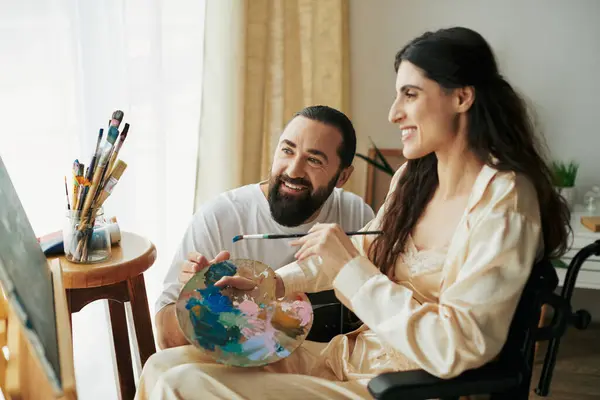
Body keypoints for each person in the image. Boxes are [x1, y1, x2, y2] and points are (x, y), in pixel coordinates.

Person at [136, 27, 571, 400]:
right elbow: (353, 256)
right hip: (350, 360)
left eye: (410, 94)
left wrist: (350, 267)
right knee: (164, 366)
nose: (394, 112)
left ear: (462, 97)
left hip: (395, 388)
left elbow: (457, 347)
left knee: (185, 385)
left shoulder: (505, 202)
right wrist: (268, 284)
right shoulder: (414, 178)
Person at [155, 105, 375, 349]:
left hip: (325, 373)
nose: (293, 170)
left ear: (343, 176)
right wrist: (200, 301)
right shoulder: (219, 218)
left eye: (314, 160)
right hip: (240, 377)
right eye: (287, 151)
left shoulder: (357, 216)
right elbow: (167, 341)